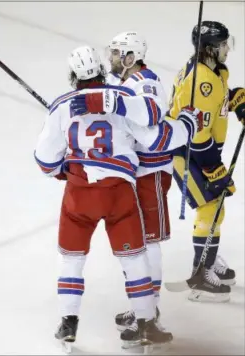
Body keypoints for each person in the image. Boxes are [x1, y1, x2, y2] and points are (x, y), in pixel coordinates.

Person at [34, 46, 203, 349]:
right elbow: (158, 138)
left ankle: (68, 323)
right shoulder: (123, 100)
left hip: (79, 193)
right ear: (101, 70)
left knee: (72, 260)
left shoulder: (62, 106)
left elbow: (45, 160)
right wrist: (188, 125)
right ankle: (147, 323)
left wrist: (65, 169)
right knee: (136, 260)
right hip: (119, 193)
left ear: (73, 76)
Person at [75, 31, 176, 333]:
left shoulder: (143, 83)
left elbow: (146, 119)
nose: (112, 58)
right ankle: (143, 307)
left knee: (150, 241)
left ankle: (150, 309)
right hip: (139, 173)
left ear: (131, 57)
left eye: (117, 53)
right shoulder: (128, 82)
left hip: (152, 172)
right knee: (143, 241)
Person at [168, 21, 245, 302]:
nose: (228, 48)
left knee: (215, 207)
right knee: (209, 208)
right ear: (211, 49)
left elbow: (218, 98)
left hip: (201, 152)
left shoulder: (214, 71)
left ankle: (208, 261)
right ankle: (201, 275)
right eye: (224, 44)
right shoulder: (199, 83)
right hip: (187, 154)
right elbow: (198, 136)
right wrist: (215, 169)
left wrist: (236, 102)